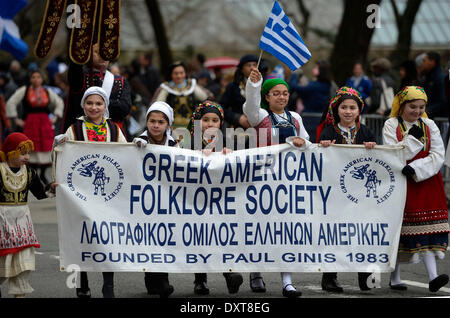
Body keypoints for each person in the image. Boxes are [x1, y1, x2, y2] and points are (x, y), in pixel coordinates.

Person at [54, 86, 127, 298]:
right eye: (90, 103)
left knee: (107, 238)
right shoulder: (74, 129)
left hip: (108, 194)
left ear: (105, 106)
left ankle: (108, 284)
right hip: (80, 195)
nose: (94, 107)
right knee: (79, 238)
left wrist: (138, 146)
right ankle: (81, 283)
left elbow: (125, 154)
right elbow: (62, 157)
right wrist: (59, 146)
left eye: (98, 103)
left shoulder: (114, 130)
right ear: (83, 105)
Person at [244, 67, 310, 298]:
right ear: (267, 97)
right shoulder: (260, 116)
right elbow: (249, 107)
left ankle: (287, 281)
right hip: (262, 182)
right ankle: (256, 272)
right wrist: (254, 83)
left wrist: (304, 142)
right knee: (260, 229)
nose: (281, 97)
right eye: (276, 93)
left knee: (286, 231)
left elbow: (308, 146)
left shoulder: (296, 118)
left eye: (285, 93)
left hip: (288, 183)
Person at [382, 86, 449, 293]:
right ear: (402, 105)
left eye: (421, 107)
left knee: (427, 229)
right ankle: (395, 277)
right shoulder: (391, 125)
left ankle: (433, 276)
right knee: (401, 230)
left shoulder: (430, 125)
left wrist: (417, 168)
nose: (418, 111)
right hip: (402, 181)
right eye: (413, 107)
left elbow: (438, 154)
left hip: (427, 180)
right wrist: (411, 141)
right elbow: (393, 154)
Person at [316, 86, 377, 293]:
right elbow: (319, 158)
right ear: (336, 110)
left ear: (359, 110)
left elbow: (379, 159)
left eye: (352, 107)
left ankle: (365, 275)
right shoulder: (328, 131)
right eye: (344, 107)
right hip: (335, 194)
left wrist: (372, 146)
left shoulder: (366, 131)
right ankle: (330, 277)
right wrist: (323, 146)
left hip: (361, 195)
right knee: (335, 235)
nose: (348, 111)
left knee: (362, 233)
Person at [184, 100, 243, 296]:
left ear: (221, 123)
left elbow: (240, 165)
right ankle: (200, 281)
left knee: (220, 236)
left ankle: (229, 274)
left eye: (215, 120)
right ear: (197, 121)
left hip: (220, 199)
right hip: (195, 199)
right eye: (205, 120)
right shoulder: (186, 141)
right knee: (200, 237)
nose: (210, 124)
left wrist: (229, 155)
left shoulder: (228, 141)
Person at [0, 132, 56, 298]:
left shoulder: (29, 172)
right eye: (22, 153)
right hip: (2, 223)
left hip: (23, 225)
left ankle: (20, 295)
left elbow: (40, 193)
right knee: (3, 265)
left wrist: (52, 187)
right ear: (11, 152)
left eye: (28, 153)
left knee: (23, 264)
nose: (26, 157)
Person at [133, 101, 177, 297]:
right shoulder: (136, 143)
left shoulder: (176, 144)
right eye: (152, 121)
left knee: (163, 239)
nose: (156, 125)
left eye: (161, 121)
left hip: (167, 199)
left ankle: (162, 282)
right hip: (145, 200)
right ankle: (153, 281)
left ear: (168, 124)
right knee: (148, 240)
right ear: (147, 121)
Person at [6, 69, 64, 184]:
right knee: (31, 146)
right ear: (30, 79)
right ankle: (33, 174)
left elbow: (59, 102)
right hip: (30, 122)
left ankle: (42, 173)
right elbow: (11, 102)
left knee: (45, 145)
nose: (36, 79)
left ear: (42, 79)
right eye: (33, 77)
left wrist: (55, 117)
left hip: (44, 122)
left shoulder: (47, 91)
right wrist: (16, 119)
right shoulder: (25, 90)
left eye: (38, 77)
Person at [63, 43, 132, 136]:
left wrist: (98, 104)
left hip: (113, 133)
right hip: (84, 132)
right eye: (97, 52)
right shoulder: (80, 77)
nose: (102, 55)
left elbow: (125, 108)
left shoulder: (121, 81)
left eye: (105, 51)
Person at [152, 61, 211, 128]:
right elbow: (157, 104)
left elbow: (204, 98)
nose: (179, 76)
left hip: (192, 125)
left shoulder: (192, 85)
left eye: (181, 73)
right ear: (171, 74)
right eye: (176, 73)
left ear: (185, 73)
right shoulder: (166, 88)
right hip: (173, 126)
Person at [290, 60, 333, 140]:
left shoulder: (315, 86)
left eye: (316, 68)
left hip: (310, 118)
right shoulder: (326, 84)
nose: (314, 69)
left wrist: (294, 75)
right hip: (319, 117)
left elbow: (294, 87)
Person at [220, 54, 259, 129]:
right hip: (237, 129)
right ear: (241, 69)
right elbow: (222, 108)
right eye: (248, 65)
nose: (252, 68)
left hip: (260, 129)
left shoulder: (263, 85)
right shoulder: (232, 87)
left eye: (254, 65)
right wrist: (237, 118)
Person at [419, 51, 447, 119]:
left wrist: (426, 111)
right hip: (430, 116)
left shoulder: (440, 78)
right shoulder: (426, 77)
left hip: (438, 117)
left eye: (424, 60)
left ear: (432, 62)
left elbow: (442, 101)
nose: (422, 63)